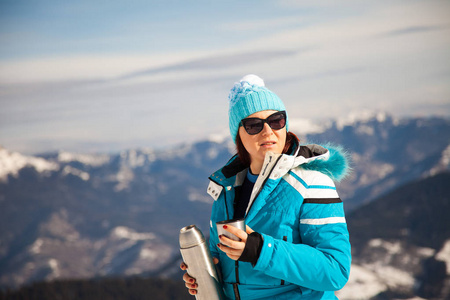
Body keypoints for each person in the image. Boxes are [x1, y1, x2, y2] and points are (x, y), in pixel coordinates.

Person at [180, 74, 351, 299]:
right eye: (253, 125)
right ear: (238, 135)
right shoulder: (225, 190)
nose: (268, 131)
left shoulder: (312, 183)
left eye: (276, 120)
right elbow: (224, 257)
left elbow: (335, 270)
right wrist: (209, 274)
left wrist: (260, 250)